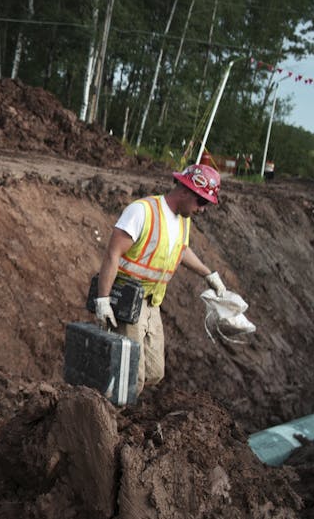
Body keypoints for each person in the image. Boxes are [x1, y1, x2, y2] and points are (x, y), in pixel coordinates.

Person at [92, 163, 252, 392]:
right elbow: (113, 253)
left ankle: (116, 400)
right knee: (130, 378)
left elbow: (181, 249)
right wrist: (103, 300)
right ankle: (109, 416)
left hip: (152, 304)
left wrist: (209, 274)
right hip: (127, 301)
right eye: (202, 201)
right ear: (185, 191)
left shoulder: (182, 220)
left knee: (155, 372)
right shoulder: (142, 211)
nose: (203, 209)